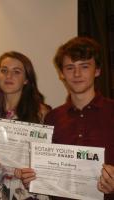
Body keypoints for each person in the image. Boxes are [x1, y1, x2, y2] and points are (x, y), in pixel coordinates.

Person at [44, 36, 114, 200]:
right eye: (69, 67)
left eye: (84, 66)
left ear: (97, 70)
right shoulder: (52, 118)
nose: (77, 74)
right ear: (61, 74)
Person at [0, 51, 51, 200]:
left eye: (16, 72)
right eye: (4, 70)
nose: (9, 76)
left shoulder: (41, 111)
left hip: (28, 188)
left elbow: (48, 159)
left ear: (26, 79)